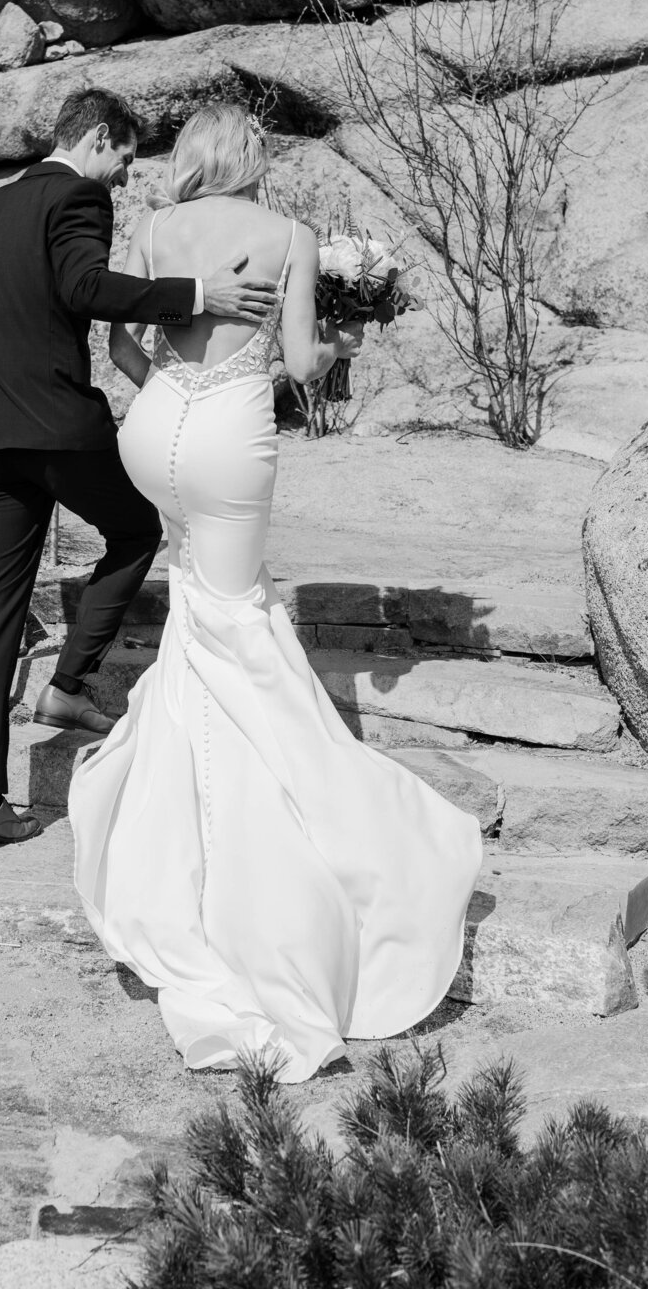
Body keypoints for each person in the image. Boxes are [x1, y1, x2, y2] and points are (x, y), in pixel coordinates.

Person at [67, 103, 483, 1083]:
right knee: (239, 619)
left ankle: (169, 836)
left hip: (154, 427)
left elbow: (123, 348)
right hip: (227, 439)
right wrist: (340, 348)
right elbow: (298, 365)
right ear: (252, 159)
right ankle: (294, 853)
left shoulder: (162, 230)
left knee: (204, 620)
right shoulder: (290, 236)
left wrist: (169, 379)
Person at [0, 88, 279, 854]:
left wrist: (6, 340)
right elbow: (84, 290)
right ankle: (68, 685)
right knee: (134, 530)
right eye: (122, 158)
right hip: (54, 422)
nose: (121, 178)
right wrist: (198, 294)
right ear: (94, 138)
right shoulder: (78, 197)